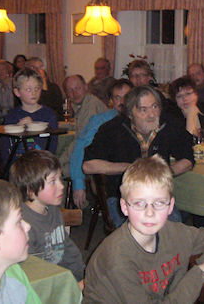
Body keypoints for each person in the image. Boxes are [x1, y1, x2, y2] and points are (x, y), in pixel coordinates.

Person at [83, 155, 204, 303]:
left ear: (171, 206)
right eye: (139, 204)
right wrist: (198, 275)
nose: (149, 213)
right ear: (124, 207)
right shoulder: (117, 257)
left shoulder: (174, 232)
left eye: (159, 203)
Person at [83, 85, 194, 227]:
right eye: (143, 110)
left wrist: (165, 173)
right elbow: (88, 165)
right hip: (122, 197)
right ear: (130, 113)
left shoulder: (168, 125)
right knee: (138, 233)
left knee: (173, 232)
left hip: (158, 196)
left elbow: (188, 159)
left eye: (155, 107)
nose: (152, 114)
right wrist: (132, 168)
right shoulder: (112, 129)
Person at [9, 150, 85, 286]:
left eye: (60, 179)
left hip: (61, 277)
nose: (61, 186)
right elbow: (28, 271)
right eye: (52, 181)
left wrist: (80, 275)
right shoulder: (23, 224)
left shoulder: (53, 210)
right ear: (30, 190)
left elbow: (65, 246)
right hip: (41, 285)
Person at [69, 79, 132, 209]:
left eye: (126, 97)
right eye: (117, 98)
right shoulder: (100, 121)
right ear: (111, 101)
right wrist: (78, 184)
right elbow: (80, 148)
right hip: (110, 180)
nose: (122, 102)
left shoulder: (142, 120)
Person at [2, 68, 58, 171]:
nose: (34, 93)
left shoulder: (49, 114)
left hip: (42, 167)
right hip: (19, 168)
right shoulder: (12, 116)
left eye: (37, 88)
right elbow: (6, 146)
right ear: (17, 92)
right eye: (28, 89)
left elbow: (53, 144)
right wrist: (17, 129)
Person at [60, 75, 108, 177]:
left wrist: (59, 161)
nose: (74, 93)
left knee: (58, 171)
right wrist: (60, 125)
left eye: (77, 88)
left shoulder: (90, 106)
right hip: (91, 153)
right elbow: (80, 125)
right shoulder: (84, 103)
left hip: (99, 158)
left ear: (86, 87)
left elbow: (81, 140)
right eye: (70, 90)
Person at [168, 76, 204, 142]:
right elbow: (186, 145)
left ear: (196, 94)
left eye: (188, 94)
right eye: (179, 96)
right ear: (175, 100)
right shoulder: (171, 114)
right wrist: (190, 115)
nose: (185, 99)